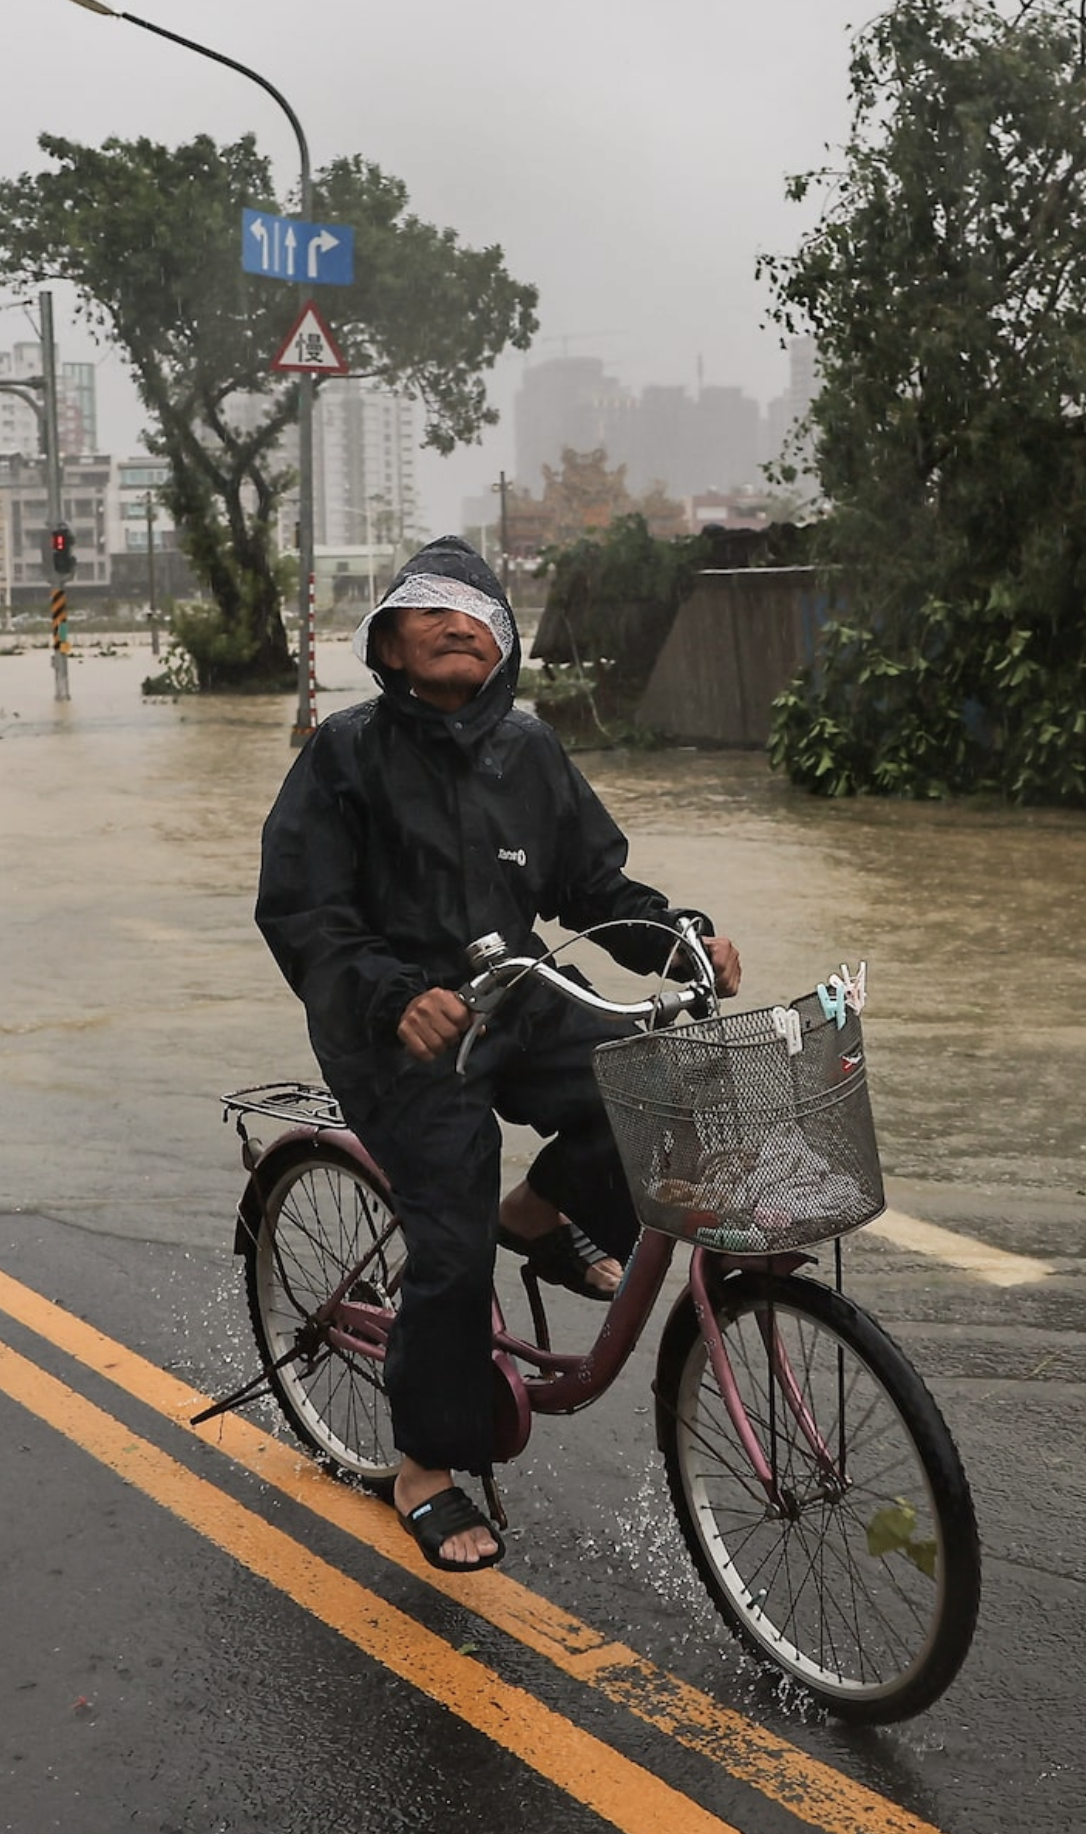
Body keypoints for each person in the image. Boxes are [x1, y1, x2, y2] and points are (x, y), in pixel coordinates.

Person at [256, 536, 740, 1572]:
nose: (454, 622)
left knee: (648, 1084)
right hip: (393, 1028)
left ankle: (543, 1212)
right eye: (427, 608)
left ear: (504, 647)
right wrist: (393, 998)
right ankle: (430, 1461)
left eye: (478, 612)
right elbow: (303, 912)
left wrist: (681, 938)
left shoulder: (531, 753)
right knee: (451, 1227)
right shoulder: (344, 754)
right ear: (386, 641)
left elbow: (597, 889)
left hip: (517, 996)